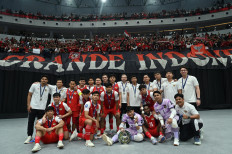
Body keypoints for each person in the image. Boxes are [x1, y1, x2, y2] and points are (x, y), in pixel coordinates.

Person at [24, 75, 51, 144]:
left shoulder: (49, 87)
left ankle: (38, 136)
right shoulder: (34, 85)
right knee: (31, 122)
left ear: (47, 81)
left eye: (45, 79)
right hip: (33, 107)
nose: (44, 80)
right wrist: (28, 105)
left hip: (42, 109)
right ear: (40, 79)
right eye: (43, 79)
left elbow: (57, 88)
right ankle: (29, 136)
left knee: (40, 123)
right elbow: (29, 95)